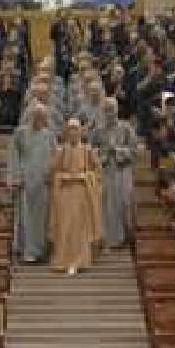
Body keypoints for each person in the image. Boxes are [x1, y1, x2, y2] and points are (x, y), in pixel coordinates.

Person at [48, 118, 103, 275]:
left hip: (82, 193)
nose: (73, 133)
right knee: (65, 226)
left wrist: (85, 177)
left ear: (80, 132)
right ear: (66, 133)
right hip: (65, 193)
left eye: (76, 129)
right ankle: (63, 260)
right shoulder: (61, 151)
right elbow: (53, 172)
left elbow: (98, 173)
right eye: (70, 130)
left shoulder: (87, 150)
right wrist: (63, 177)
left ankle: (81, 260)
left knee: (81, 228)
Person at [9, 102, 56, 262]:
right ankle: (27, 251)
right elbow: (14, 156)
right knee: (26, 217)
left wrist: (52, 174)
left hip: (43, 182)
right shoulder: (20, 134)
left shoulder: (50, 135)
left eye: (43, 117)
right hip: (26, 181)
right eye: (37, 117)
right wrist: (15, 177)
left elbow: (55, 157)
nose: (40, 120)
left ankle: (41, 250)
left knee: (42, 217)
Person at [93, 97, 138, 249]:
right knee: (107, 205)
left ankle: (125, 238)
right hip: (105, 170)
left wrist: (117, 150)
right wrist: (102, 155)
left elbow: (134, 151)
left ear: (117, 110)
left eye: (111, 110)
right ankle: (108, 238)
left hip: (122, 170)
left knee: (123, 203)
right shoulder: (98, 131)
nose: (109, 113)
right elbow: (92, 152)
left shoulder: (126, 129)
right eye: (106, 110)